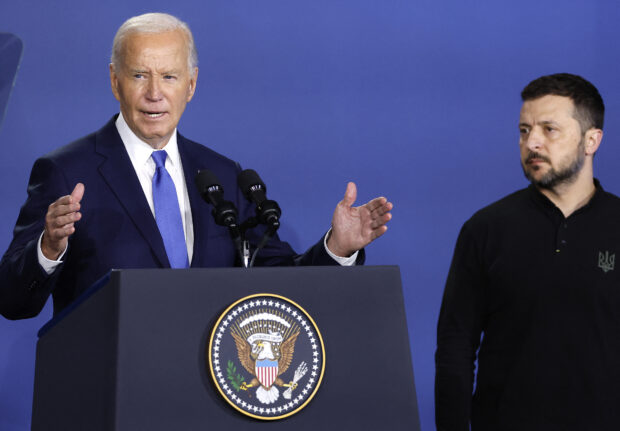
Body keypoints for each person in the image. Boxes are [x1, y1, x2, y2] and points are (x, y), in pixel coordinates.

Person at [0, 13, 393, 320]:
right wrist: (49, 247)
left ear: (190, 85)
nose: (155, 94)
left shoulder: (222, 174)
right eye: (140, 75)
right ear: (115, 80)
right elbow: (12, 300)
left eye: (169, 77)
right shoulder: (67, 172)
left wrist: (337, 248)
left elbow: (279, 283)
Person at [435, 73, 620, 430]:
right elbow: (455, 350)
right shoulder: (485, 228)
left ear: (591, 140)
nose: (532, 142)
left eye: (549, 129)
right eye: (524, 130)